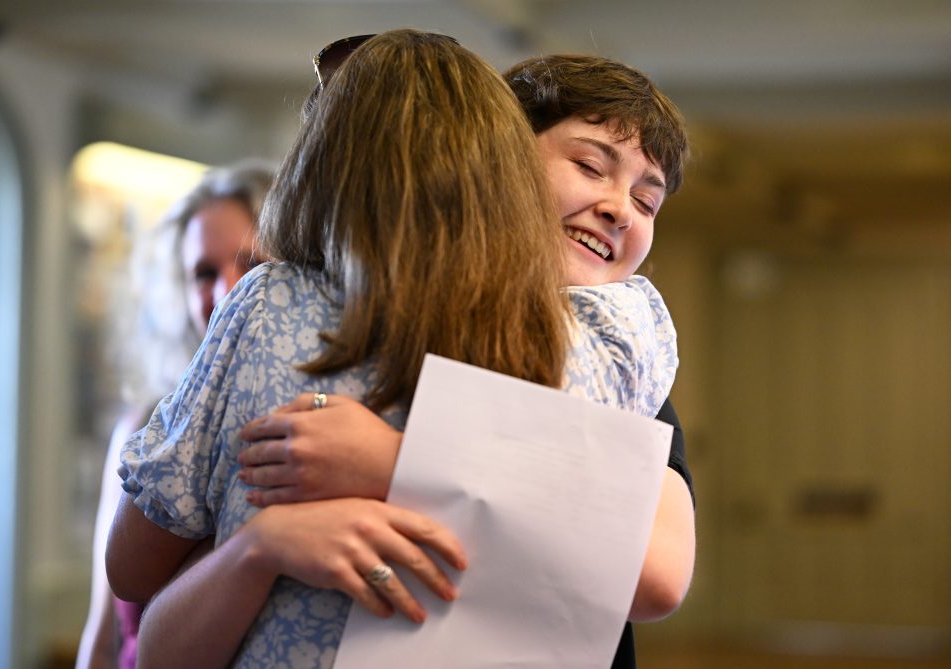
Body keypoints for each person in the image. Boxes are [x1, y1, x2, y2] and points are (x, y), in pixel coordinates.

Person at [105, 30, 679, 669]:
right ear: (505, 163)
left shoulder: (613, 338)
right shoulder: (617, 335)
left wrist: (398, 463)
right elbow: (148, 612)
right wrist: (260, 544)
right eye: (589, 166)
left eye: (647, 200)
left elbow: (658, 575)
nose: (618, 209)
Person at [74, 161, 273, 669]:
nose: (227, 292)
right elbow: (102, 636)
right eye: (204, 273)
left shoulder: (294, 435)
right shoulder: (139, 431)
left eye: (248, 263)